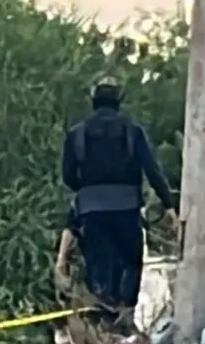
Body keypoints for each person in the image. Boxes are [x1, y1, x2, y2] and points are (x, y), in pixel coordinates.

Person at [62, 75, 178, 330]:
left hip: (92, 211)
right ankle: (125, 319)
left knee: (99, 267)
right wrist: (169, 205)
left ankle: (103, 324)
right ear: (119, 101)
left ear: (93, 100)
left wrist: (89, 190)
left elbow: (68, 177)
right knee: (129, 264)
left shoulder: (76, 134)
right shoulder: (133, 132)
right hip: (127, 209)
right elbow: (152, 170)